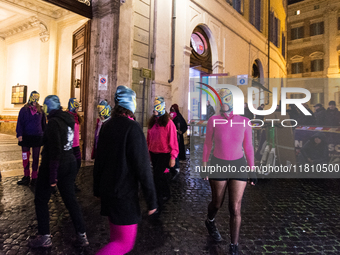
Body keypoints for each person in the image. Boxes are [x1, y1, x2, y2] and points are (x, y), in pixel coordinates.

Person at [93, 86, 157, 255]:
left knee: (115, 239)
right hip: (124, 196)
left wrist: (97, 189)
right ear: (131, 103)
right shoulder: (133, 128)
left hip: (108, 192)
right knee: (124, 244)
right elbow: (143, 168)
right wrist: (152, 200)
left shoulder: (107, 126)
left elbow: (99, 160)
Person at [29, 95, 88, 248]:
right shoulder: (67, 119)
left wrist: (53, 177)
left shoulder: (54, 123)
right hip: (69, 163)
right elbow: (53, 140)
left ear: (48, 107)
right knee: (71, 201)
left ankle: (44, 236)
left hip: (53, 166)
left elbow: (55, 150)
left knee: (41, 200)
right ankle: (82, 235)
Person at [203, 88, 257, 255]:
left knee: (235, 208)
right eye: (220, 99)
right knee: (217, 203)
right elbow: (207, 144)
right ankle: (210, 221)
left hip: (238, 165)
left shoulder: (245, 121)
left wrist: (252, 169)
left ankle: (234, 246)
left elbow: (248, 147)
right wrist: (205, 165)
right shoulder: (213, 120)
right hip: (218, 163)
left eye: (225, 99)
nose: (222, 103)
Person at [147, 97, 179, 209]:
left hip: (164, 153)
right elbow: (149, 138)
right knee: (160, 175)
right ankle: (166, 192)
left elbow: (173, 141)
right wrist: (148, 152)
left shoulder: (169, 123)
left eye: (157, 106)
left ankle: (158, 196)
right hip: (154, 153)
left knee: (157, 176)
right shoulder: (152, 122)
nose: (154, 109)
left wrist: (173, 157)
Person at [16, 91, 46, 186]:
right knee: (25, 157)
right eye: (34, 98)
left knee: (36, 158)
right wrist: (19, 134)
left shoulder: (41, 110)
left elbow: (43, 124)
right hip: (25, 137)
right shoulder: (23, 110)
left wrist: (45, 135)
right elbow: (19, 122)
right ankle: (26, 176)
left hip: (37, 137)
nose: (35, 101)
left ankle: (34, 177)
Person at [67, 98, 83, 192]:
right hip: (70, 146)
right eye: (76, 107)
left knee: (77, 164)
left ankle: (72, 182)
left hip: (76, 145)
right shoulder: (67, 117)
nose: (77, 109)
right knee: (70, 167)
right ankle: (69, 184)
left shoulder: (77, 117)